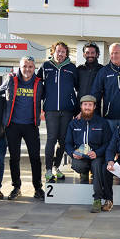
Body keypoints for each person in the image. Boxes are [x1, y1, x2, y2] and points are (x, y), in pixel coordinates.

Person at [0, 56, 45, 201]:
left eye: (30, 66)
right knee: (14, 158)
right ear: (19, 67)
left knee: (35, 158)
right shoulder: (11, 80)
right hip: (13, 125)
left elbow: (49, 97)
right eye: (24, 66)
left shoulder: (39, 83)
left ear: (34, 68)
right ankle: (16, 187)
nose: (27, 69)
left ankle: (38, 187)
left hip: (31, 125)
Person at [37, 42, 78, 183]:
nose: (60, 54)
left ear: (66, 54)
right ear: (53, 52)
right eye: (58, 51)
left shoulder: (72, 68)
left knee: (63, 141)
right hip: (51, 110)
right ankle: (48, 169)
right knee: (51, 139)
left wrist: (76, 107)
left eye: (63, 52)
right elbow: (37, 85)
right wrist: (42, 102)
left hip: (67, 110)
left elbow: (77, 88)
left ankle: (56, 167)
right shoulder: (45, 66)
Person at [65, 95, 112, 213]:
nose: (87, 107)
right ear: (81, 106)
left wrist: (97, 152)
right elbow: (67, 143)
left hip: (96, 155)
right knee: (78, 165)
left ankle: (97, 199)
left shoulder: (102, 123)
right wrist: (72, 153)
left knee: (97, 166)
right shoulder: (73, 124)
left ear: (95, 107)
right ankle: (84, 172)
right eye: (85, 104)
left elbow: (108, 142)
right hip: (81, 157)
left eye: (90, 105)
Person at [91, 43, 120, 132]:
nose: (114, 55)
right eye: (112, 53)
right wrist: (94, 113)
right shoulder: (103, 71)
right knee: (110, 144)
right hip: (110, 118)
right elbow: (95, 93)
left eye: (116, 53)